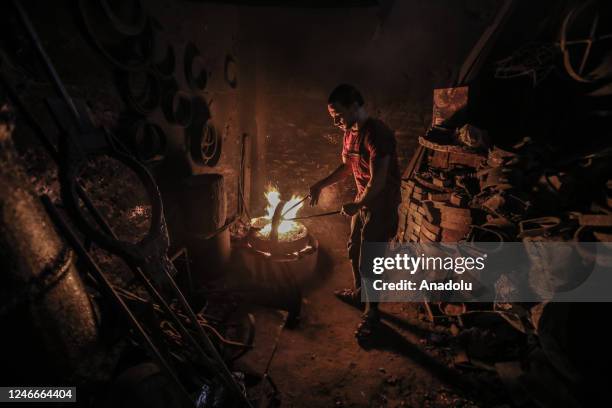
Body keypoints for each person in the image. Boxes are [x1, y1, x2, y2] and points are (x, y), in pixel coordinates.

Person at [309, 84, 401, 338]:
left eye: (338, 114)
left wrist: (358, 204)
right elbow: (347, 168)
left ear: (354, 106)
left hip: (381, 205)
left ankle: (372, 313)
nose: (336, 121)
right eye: (332, 117)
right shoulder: (349, 134)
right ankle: (360, 294)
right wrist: (320, 183)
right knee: (355, 248)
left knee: (371, 258)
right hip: (364, 201)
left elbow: (378, 181)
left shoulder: (376, 134)